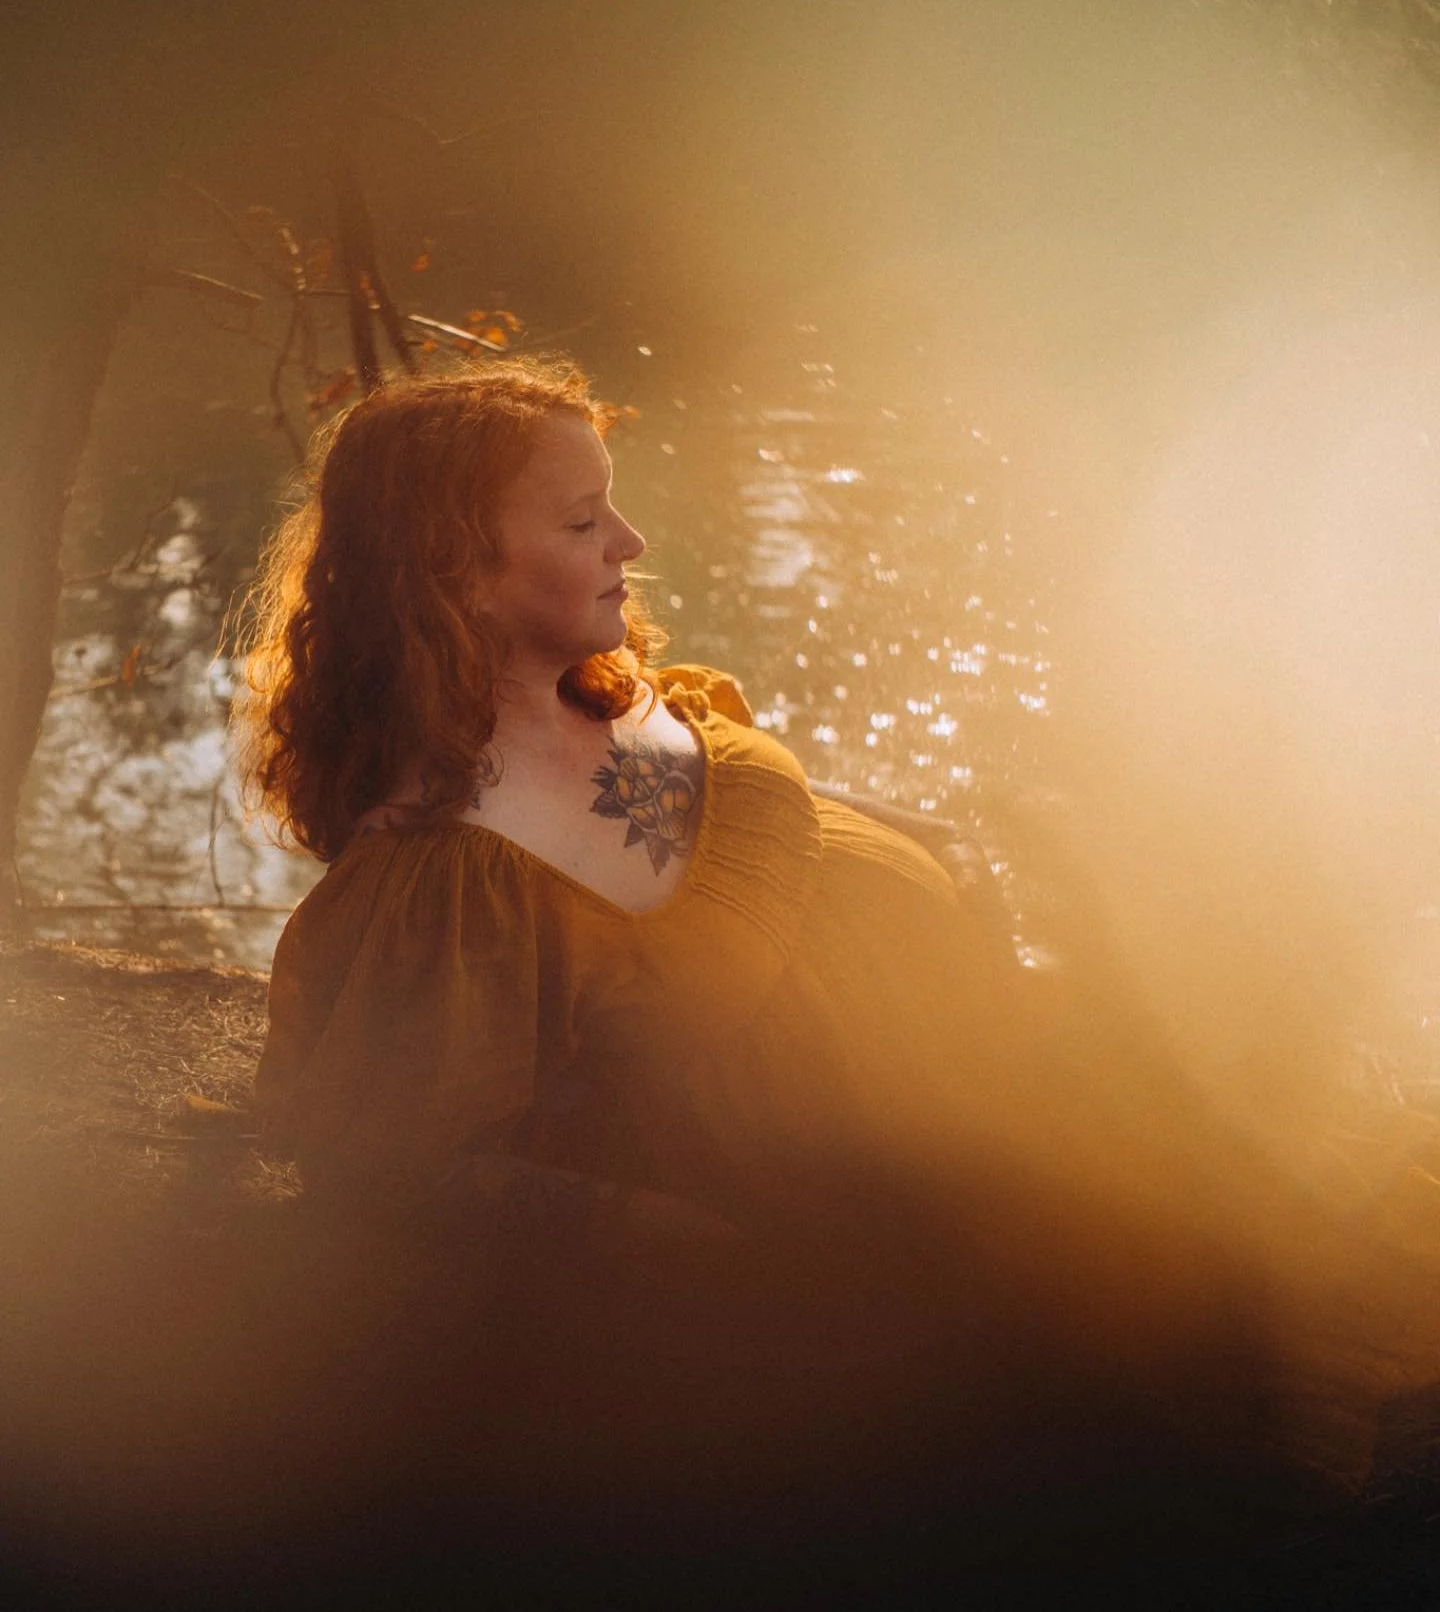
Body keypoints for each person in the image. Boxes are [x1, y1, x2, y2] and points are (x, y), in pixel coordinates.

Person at [231, 357, 1439, 1575]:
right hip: (865, 1175)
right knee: (1224, 1265)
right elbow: (397, 1162)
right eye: (585, 521)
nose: (632, 541)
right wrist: (685, 1237)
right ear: (454, 571)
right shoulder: (446, 870)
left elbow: (751, 811)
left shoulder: (612, 690)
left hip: (969, 1035)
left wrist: (943, 852)